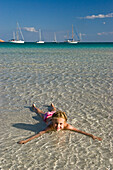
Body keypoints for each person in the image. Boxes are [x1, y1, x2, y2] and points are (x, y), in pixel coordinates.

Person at [18, 103, 102, 144]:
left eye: (60, 124)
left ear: (65, 122)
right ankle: (34, 107)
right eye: (56, 124)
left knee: (54, 110)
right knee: (40, 113)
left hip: (55, 115)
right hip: (47, 117)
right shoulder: (50, 126)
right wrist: (26, 140)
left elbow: (79, 131)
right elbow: (39, 134)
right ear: (53, 122)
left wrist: (91, 135)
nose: (58, 126)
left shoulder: (66, 126)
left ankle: (52, 106)